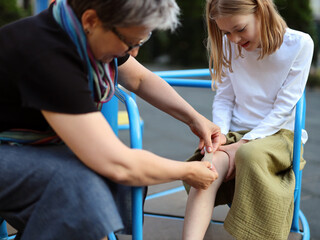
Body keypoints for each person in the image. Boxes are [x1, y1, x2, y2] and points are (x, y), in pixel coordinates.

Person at [0, 0, 221, 239]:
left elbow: (140, 80)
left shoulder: (80, 30)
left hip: (29, 144)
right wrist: (187, 171)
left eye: (140, 42)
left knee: (117, 178)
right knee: (76, 183)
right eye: (130, 43)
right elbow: (118, 164)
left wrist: (194, 118)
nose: (133, 52)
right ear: (91, 21)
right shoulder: (49, 56)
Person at [182, 0, 314, 239]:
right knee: (209, 162)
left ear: (261, 11)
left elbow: (284, 108)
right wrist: (221, 135)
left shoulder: (299, 44)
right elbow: (224, 98)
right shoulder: (230, 44)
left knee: (248, 154)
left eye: (240, 29)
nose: (233, 39)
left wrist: (244, 143)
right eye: (226, 32)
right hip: (239, 131)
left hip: (280, 133)